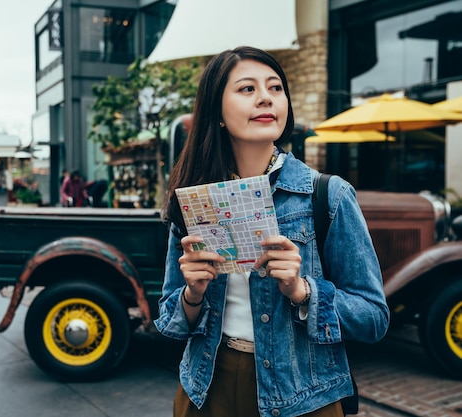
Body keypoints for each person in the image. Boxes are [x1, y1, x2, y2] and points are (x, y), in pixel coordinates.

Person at [155, 46, 390, 417]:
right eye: (247, 89)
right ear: (217, 111)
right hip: (205, 388)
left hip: (304, 397)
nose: (266, 97)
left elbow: (374, 316)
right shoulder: (194, 199)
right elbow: (170, 318)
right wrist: (193, 294)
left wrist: (303, 292)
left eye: (275, 88)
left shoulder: (327, 195)